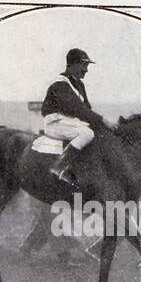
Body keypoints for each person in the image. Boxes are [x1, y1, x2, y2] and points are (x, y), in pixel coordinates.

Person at [42, 48, 110, 183]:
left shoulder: (79, 84)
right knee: (87, 134)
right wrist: (103, 120)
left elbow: (87, 108)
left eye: (87, 66)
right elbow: (78, 110)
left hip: (68, 122)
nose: (86, 70)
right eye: (84, 65)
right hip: (55, 123)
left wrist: (101, 125)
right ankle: (59, 166)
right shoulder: (60, 83)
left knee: (98, 131)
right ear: (72, 65)